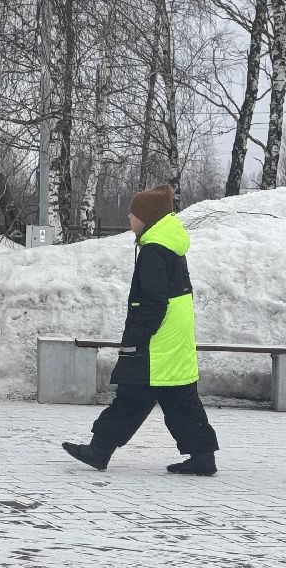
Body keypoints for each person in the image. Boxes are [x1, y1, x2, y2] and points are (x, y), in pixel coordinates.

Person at [62, 184, 219, 476]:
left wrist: (136, 336)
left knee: (134, 396)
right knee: (176, 399)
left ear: (147, 217)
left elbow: (153, 302)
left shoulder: (154, 251)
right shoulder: (167, 245)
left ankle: (100, 450)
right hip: (172, 337)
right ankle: (202, 457)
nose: (129, 217)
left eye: (134, 213)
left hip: (157, 341)